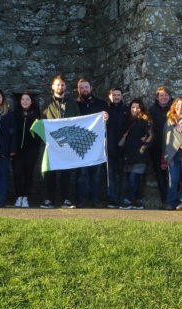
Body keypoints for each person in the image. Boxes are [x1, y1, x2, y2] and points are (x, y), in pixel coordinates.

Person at [40, 75, 80, 209]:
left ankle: (66, 200)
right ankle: (48, 200)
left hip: (67, 144)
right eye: (57, 84)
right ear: (52, 86)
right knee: (49, 173)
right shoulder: (46, 104)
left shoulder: (72, 104)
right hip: (51, 144)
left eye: (62, 85)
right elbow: (42, 122)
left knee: (66, 173)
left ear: (65, 87)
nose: (60, 87)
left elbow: (78, 121)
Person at [75, 77, 108, 208]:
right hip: (80, 146)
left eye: (86, 87)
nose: (84, 89)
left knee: (96, 174)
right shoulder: (74, 105)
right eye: (81, 88)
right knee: (82, 174)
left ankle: (96, 199)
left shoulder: (101, 104)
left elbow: (108, 118)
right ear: (78, 90)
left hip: (97, 145)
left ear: (91, 88)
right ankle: (82, 200)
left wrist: (107, 116)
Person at [119, 98, 153, 209]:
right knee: (131, 179)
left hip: (139, 155)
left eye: (138, 107)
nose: (135, 109)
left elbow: (151, 135)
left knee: (134, 178)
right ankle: (138, 200)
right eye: (133, 107)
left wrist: (143, 147)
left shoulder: (146, 121)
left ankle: (128, 200)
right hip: (128, 155)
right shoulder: (126, 120)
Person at [11, 91, 42, 208]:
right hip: (17, 149)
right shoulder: (14, 114)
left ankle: (26, 197)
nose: (25, 101)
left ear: (31, 101)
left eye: (27, 99)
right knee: (17, 173)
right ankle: (19, 196)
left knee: (28, 173)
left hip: (31, 149)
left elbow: (40, 132)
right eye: (23, 99)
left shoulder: (37, 114)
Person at [148, 86, 173, 205]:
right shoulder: (152, 110)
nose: (163, 97)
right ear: (157, 98)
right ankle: (165, 200)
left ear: (169, 97)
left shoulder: (174, 110)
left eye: (166, 95)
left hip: (172, 147)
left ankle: (174, 199)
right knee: (160, 175)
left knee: (173, 174)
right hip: (157, 147)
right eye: (161, 95)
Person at [105, 87, 127, 208]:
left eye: (118, 95)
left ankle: (122, 199)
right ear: (110, 97)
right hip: (109, 148)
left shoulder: (126, 110)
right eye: (114, 95)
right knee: (111, 176)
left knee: (123, 176)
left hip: (123, 148)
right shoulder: (106, 111)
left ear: (122, 96)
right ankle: (112, 200)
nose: (116, 97)